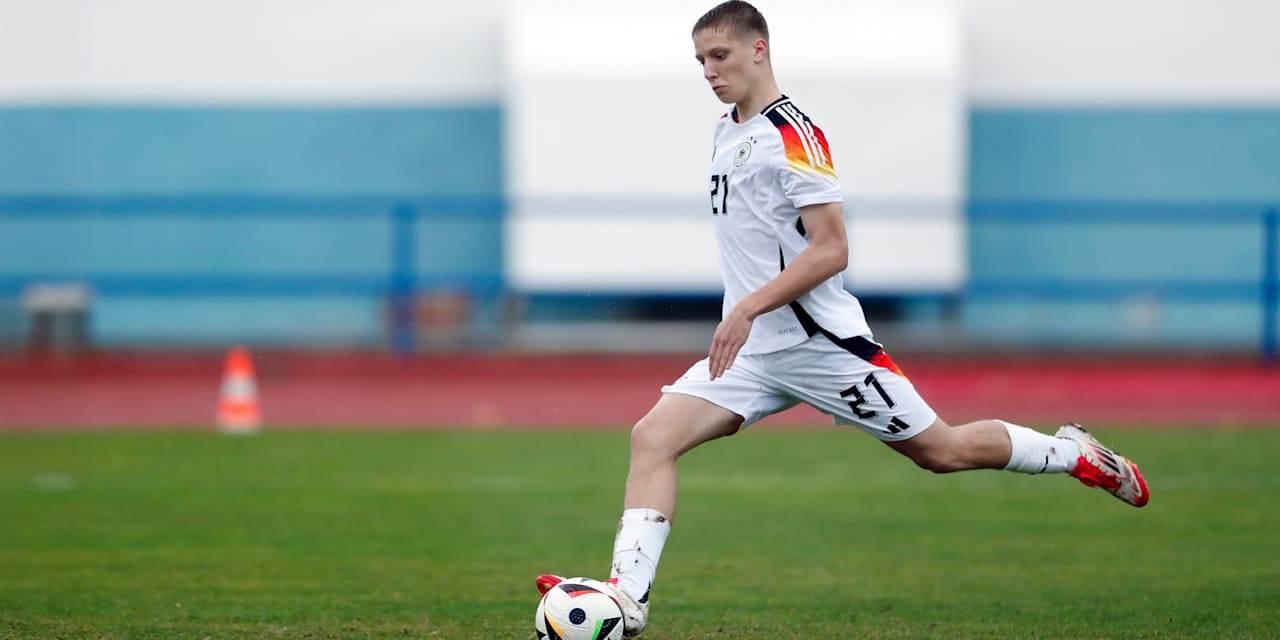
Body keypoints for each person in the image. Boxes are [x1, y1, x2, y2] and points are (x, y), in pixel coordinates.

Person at [535, 2, 1148, 636]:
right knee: (652, 438)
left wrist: (747, 306)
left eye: (720, 57)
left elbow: (833, 249)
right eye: (700, 62)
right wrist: (747, 315)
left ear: (759, 50)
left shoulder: (794, 135)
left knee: (944, 450)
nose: (710, 72)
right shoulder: (726, 130)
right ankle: (627, 599)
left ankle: (1074, 454)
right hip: (754, 353)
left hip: (821, 345)